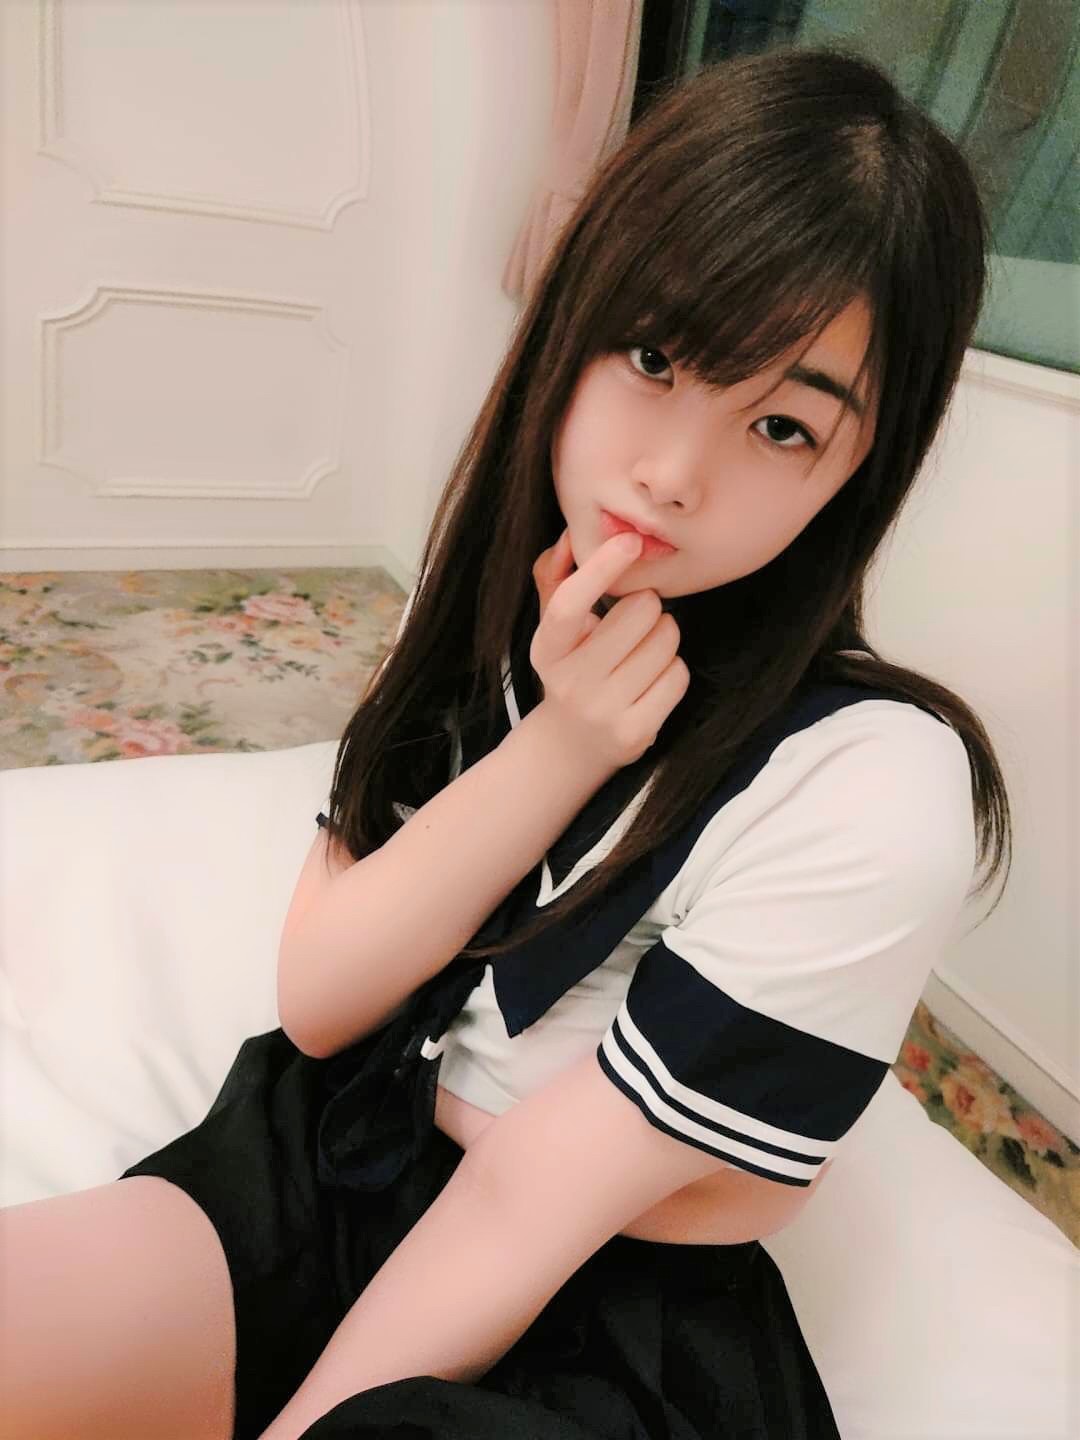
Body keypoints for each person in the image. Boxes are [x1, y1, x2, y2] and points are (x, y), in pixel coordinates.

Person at [1, 44, 1013, 1440]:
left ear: (860, 470)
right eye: (655, 357)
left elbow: (532, 1199)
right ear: (575, 321)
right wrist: (563, 744)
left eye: (782, 425)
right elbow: (325, 998)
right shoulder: (494, 598)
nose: (673, 473)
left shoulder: (874, 779)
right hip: (336, 1152)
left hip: (603, 1312)